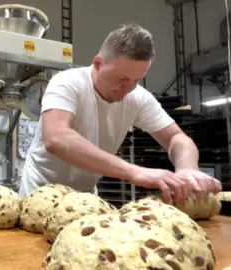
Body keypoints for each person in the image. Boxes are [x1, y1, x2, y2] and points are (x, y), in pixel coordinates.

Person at [18, 23, 222, 204]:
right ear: (98, 63)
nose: (129, 88)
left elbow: (177, 138)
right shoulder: (67, 83)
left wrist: (187, 169)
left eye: (137, 80)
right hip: (40, 194)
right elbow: (57, 138)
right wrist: (134, 172)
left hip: (86, 197)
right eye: (122, 79)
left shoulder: (137, 97)